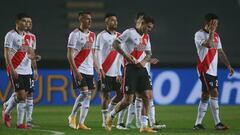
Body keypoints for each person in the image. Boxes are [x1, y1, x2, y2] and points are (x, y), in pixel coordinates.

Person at [105, 15, 157, 133]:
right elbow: (115, 44)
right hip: (130, 69)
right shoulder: (129, 32)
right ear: (142, 23)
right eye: (148, 27)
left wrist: (144, 61)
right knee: (128, 101)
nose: (149, 30)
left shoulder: (146, 37)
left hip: (142, 69)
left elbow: (148, 54)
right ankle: (111, 116)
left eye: (150, 28)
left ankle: (144, 125)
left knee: (147, 96)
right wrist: (126, 55)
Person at [193, 13, 234, 130]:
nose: (216, 25)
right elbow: (209, 45)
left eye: (217, 23)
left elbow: (220, 52)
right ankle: (218, 123)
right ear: (207, 23)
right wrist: (211, 32)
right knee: (214, 92)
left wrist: (228, 65)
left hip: (213, 71)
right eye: (213, 23)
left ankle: (197, 124)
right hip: (204, 69)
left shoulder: (216, 36)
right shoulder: (199, 34)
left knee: (205, 95)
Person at [3, 15, 40, 128]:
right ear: (18, 22)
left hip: (27, 70)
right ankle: (18, 122)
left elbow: (29, 53)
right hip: (15, 69)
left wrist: (34, 61)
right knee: (22, 96)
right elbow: (7, 54)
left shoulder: (29, 37)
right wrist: (12, 69)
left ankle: (8, 110)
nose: (26, 23)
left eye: (28, 21)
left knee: (25, 95)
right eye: (24, 21)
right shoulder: (11, 35)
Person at [67, 11, 98, 130]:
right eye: (87, 19)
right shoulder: (74, 34)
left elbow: (92, 53)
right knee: (85, 93)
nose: (89, 21)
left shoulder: (92, 35)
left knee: (88, 95)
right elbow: (69, 55)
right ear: (81, 20)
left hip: (89, 69)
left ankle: (81, 123)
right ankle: (72, 116)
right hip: (78, 67)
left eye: (90, 19)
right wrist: (75, 71)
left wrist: (97, 68)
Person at [94, 13, 126, 129]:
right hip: (105, 70)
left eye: (116, 20)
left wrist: (120, 72)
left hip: (116, 71)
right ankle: (104, 120)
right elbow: (97, 53)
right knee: (105, 96)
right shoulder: (101, 36)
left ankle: (109, 113)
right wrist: (100, 68)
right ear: (107, 23)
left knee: (121, 94)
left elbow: (121, 56)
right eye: (112, 20)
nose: (115, 22)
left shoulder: (120, 36)